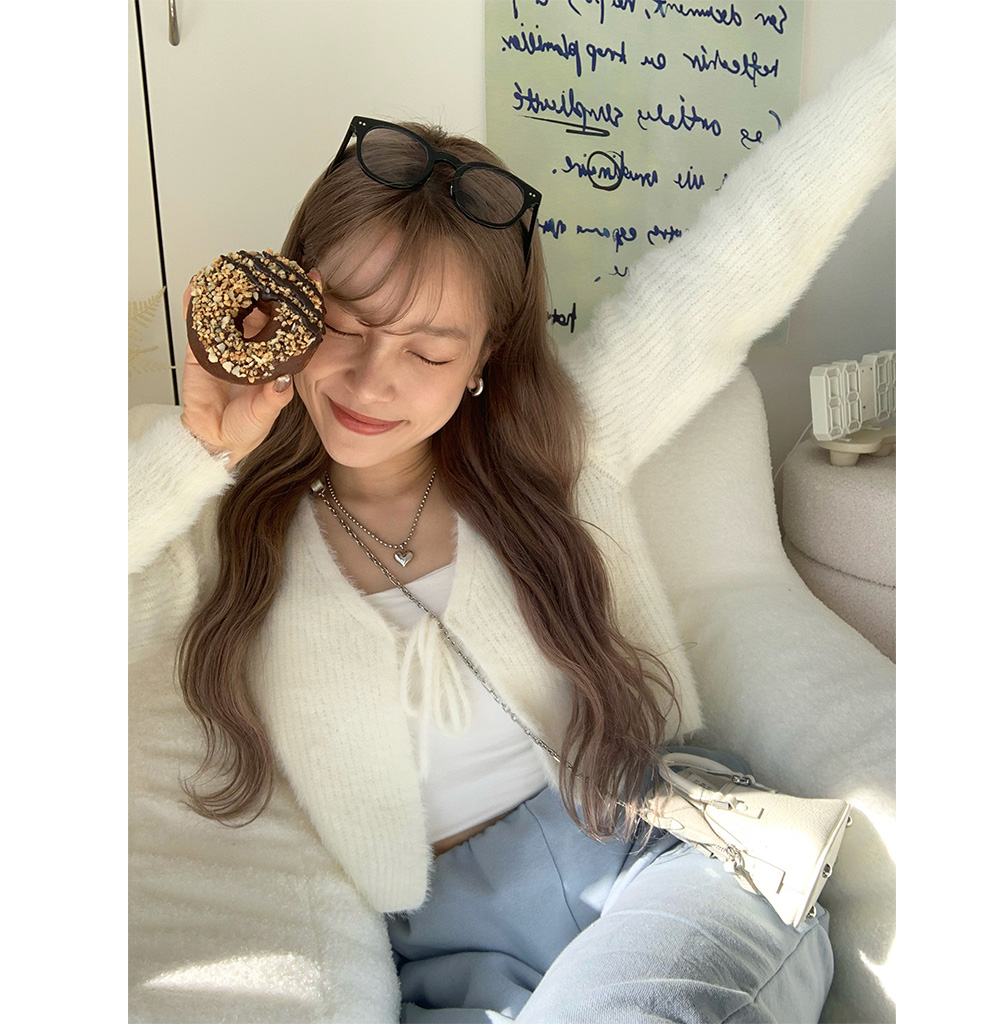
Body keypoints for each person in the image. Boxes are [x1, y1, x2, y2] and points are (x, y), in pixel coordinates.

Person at [129, 27, 895, 1024]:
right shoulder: (219, 532)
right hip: (447, 955)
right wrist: (196, 449)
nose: (371, 381)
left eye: (428, 350)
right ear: (298, 308)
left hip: (666, 861)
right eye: (348, 325)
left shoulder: (562, 442)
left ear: (485, 356)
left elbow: (757, 239)